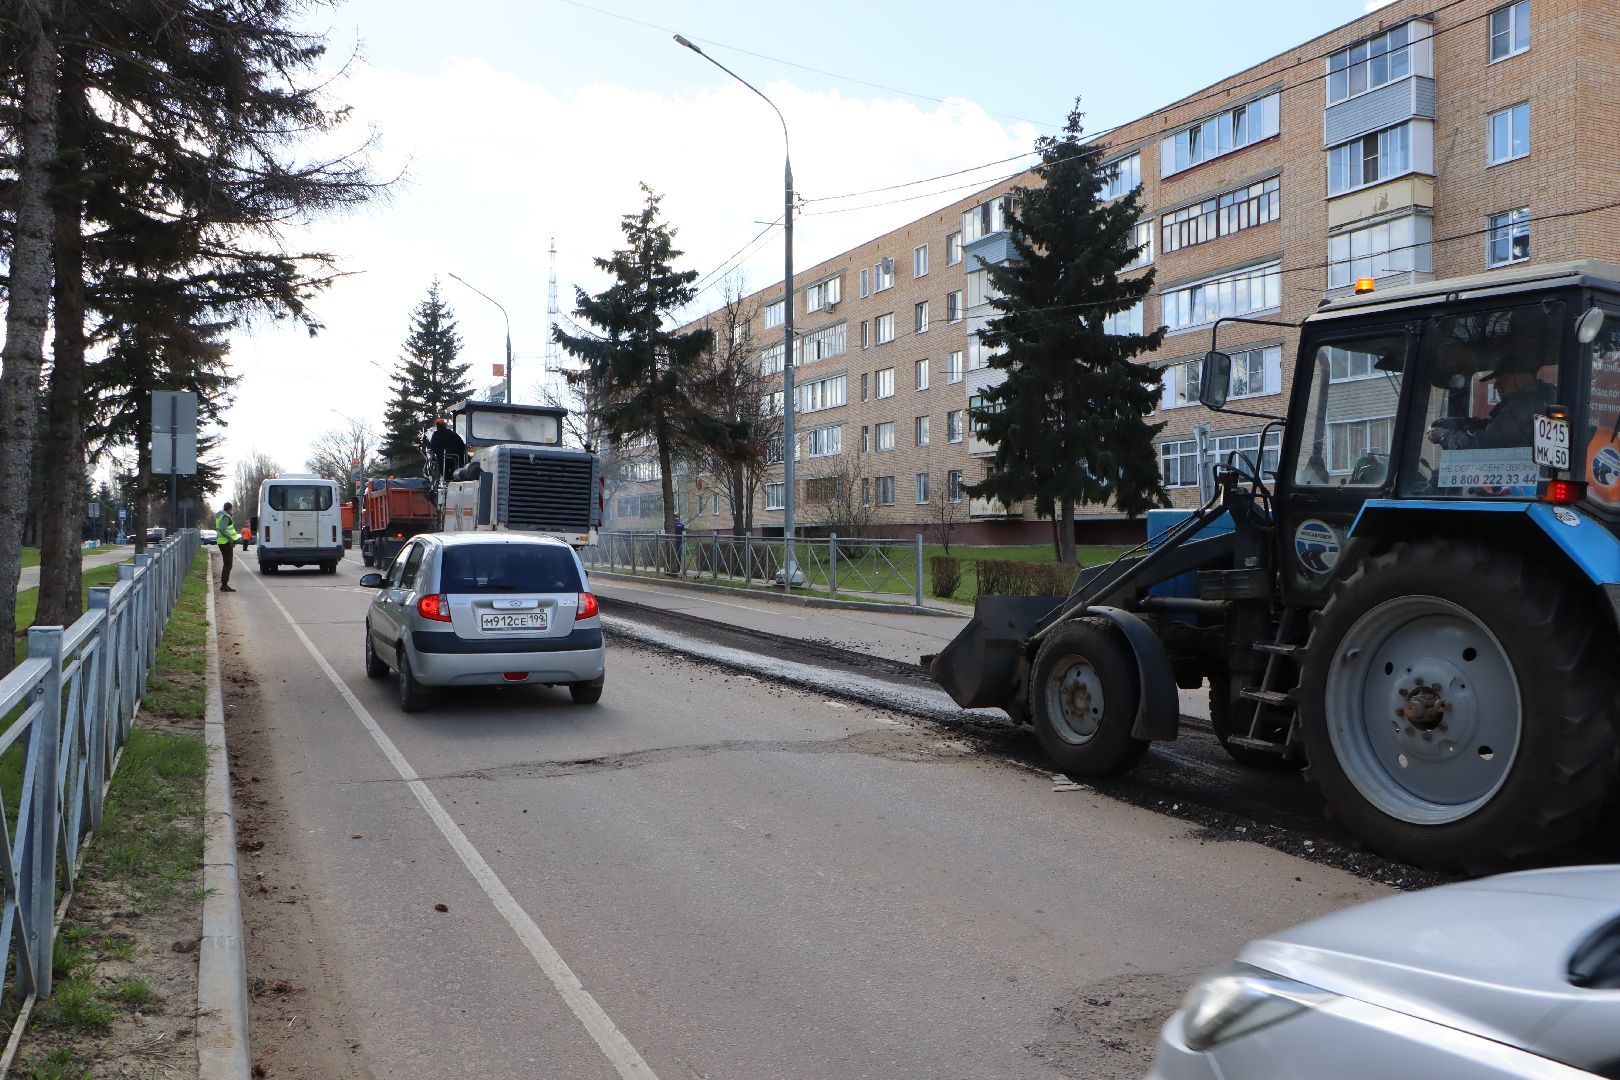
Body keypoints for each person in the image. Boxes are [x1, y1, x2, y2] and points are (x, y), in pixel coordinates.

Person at [1428, 362, 1553, 450]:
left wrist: (1445, 436)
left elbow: (1482, 446)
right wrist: (1465, 422)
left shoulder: (1522, 408)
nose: (1496, 386)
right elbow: (1498, 430)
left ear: (1521, 378)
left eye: (1502, 380)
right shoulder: (1541, 398)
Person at [426, 418, 466, 484]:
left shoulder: (435, 435)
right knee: (455, 472)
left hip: (442, 459)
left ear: (437, 426)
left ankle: (447, 482)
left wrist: (437, 453)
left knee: (444, 472)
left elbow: (432, 447)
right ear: (444, 425)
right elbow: (461, 444)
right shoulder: (452, 434)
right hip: (455, 459)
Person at [214, 501, 243, 591]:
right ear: (230, 508)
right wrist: (230, 539)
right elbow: (223, 530)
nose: (232, 510)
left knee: (227, 564)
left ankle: (224, 584)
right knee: (228, 564)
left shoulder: (220, 516)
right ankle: (224, 585)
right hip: (226, 543)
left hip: (223, 542)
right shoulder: (226, 517)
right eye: (232, 508)